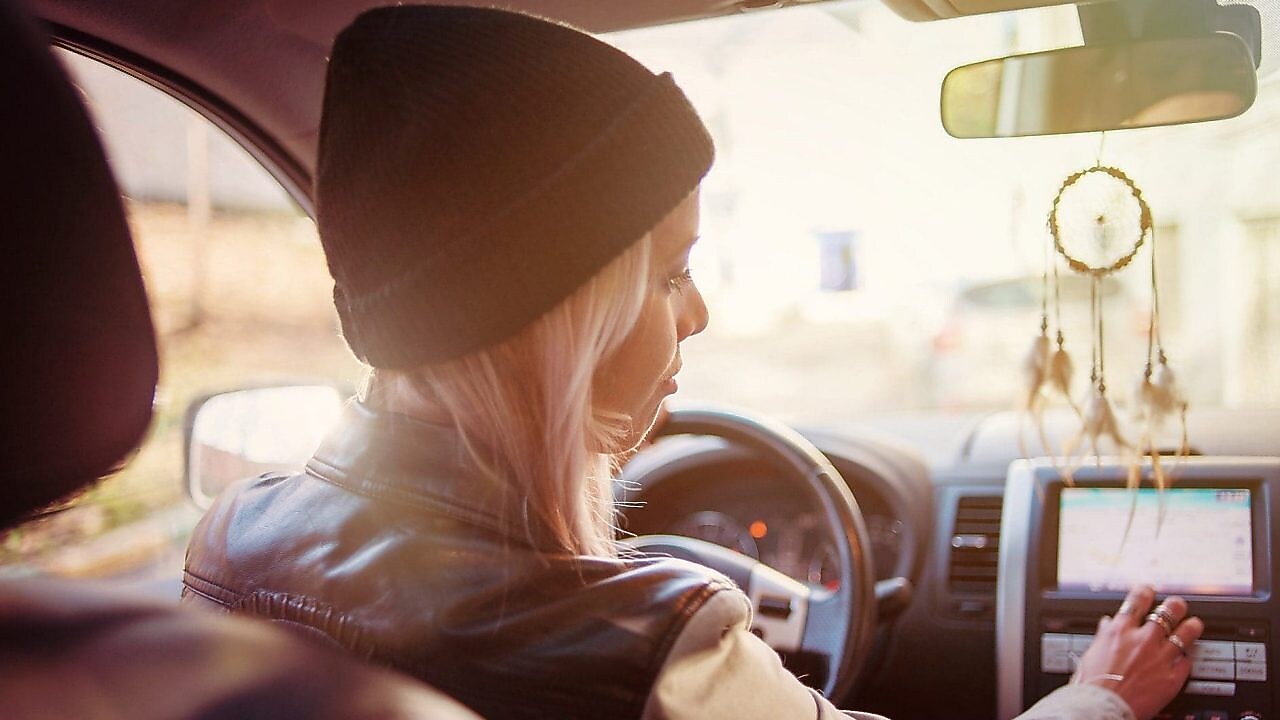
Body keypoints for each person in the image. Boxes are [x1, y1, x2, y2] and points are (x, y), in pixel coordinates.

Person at [182, 6, 1203, 719]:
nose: (700, 314)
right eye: (668, 274)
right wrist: (1097, 694)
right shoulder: (653, 646)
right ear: (558, 317)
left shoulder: (228, 546)